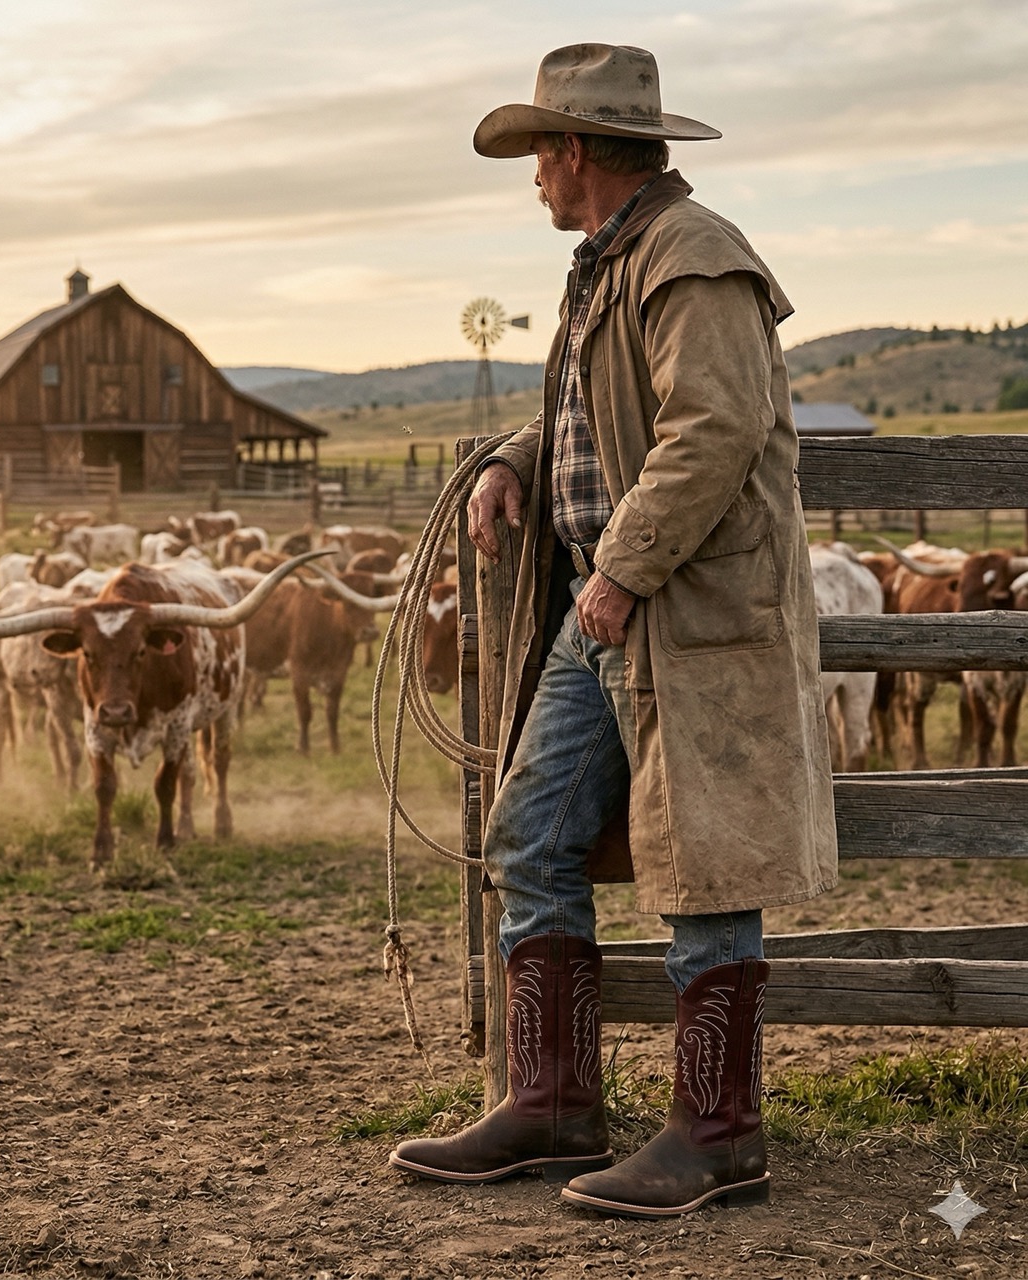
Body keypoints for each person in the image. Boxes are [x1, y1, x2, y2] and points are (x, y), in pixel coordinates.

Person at [389, 42, 838, 1217]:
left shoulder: (691, 259)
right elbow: (605, 424)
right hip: (615, 606)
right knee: (527, 833)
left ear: (574, 150)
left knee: (705, 856)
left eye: (537, 152)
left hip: (681, 609)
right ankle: (552, 1102)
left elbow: (711, 429)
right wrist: (510, 459)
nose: (532, 175)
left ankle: (720, 1132)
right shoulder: (611, 261)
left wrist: (624, 570)